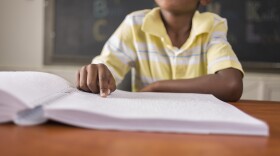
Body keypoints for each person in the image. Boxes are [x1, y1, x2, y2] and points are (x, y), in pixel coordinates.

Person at [76, 0, 244, 102]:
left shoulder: (212, 25)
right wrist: (98, 72)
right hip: (147, 125)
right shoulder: (135, 24)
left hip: (198, 127)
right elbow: (106, 68)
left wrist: (157, 87)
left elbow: (231, 84)